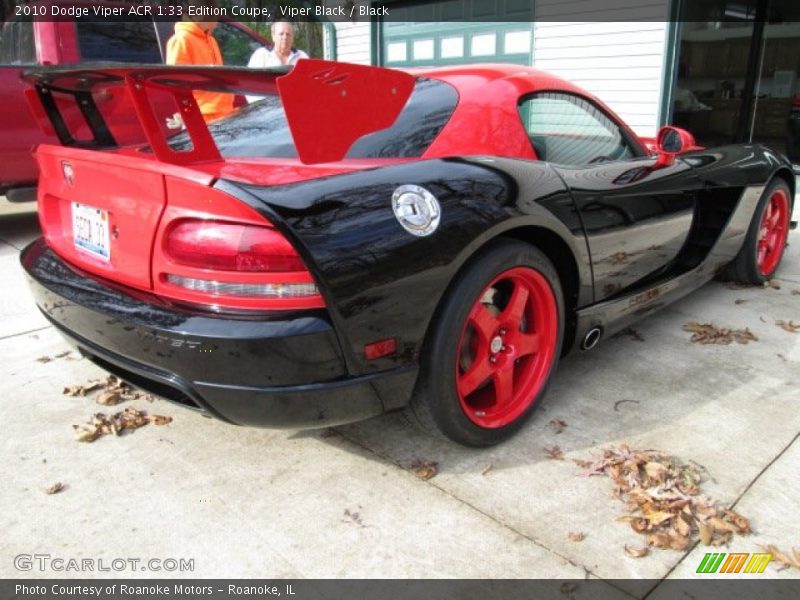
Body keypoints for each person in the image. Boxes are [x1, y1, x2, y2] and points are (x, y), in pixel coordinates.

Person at [165, 6, 235, 123]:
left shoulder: (211, 40)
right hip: (202, 117)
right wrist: (186, 114)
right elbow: (176, 82)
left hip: (225, 112)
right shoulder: (181, 40)